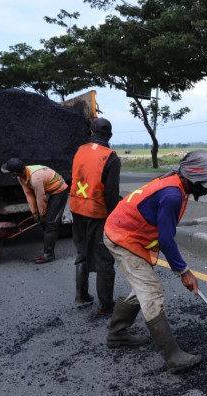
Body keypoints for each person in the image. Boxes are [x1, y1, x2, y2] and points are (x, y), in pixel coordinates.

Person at [102, 150, 207, 373]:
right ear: (190, 177)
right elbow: (166, 238)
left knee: (142, 285)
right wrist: (184, 271)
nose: (206, 189)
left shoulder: (178, 185)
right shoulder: (172, 195)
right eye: (204, 184)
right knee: (151, 290)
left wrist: (182, 270)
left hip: (127, 233)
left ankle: (117, 334)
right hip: (122, 237)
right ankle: (173, 356)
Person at [69, 118, 121, 316]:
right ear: (110, 135)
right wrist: (114, 217)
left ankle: (81, 295)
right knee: (104, 258)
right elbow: (110, 193)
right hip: (97, 213)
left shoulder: (79, 151)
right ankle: (106, 305)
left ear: (91, 133)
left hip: (76, 207)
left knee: (82, 252)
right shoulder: (111, 158)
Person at [1, 158, 68, 263]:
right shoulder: (21, 177)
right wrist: (35, 213)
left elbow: (41, 198)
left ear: (14, 173)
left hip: (59, 190)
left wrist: (41, 215)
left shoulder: (35, 178)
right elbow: (29, 195)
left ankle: (48, 255)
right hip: (48, 189)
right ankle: (48, 250)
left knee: (50, 223)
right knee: (44, 222)